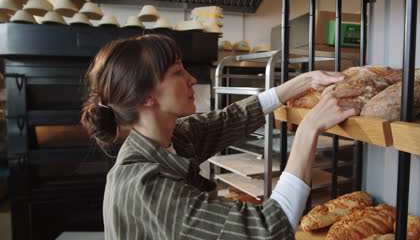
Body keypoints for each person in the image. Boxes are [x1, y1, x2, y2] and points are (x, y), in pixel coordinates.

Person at [81, 34, 362, 240]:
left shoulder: (171, 139)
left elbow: (229, 119)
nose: (192, 79)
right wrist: (309, 128)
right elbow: (268, 230)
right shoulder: (145, 186)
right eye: (177, 72)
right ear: (146, 98)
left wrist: (302, 82)